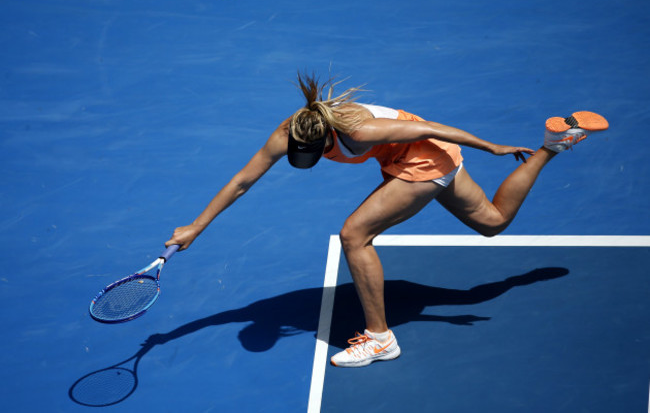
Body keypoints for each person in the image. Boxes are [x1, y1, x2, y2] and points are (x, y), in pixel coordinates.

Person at [165, 73, 608, 368]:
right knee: (493, 222)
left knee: (354, 235)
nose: (307, 159)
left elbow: (428, 128)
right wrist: (197, 226)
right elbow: (243, 180)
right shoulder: (291, 129)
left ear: (327, 139)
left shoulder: (359, 130)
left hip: (424, 158)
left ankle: (381, 338)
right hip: (415, 160)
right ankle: (554, 144)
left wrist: (488, 146)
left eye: (313, 156)